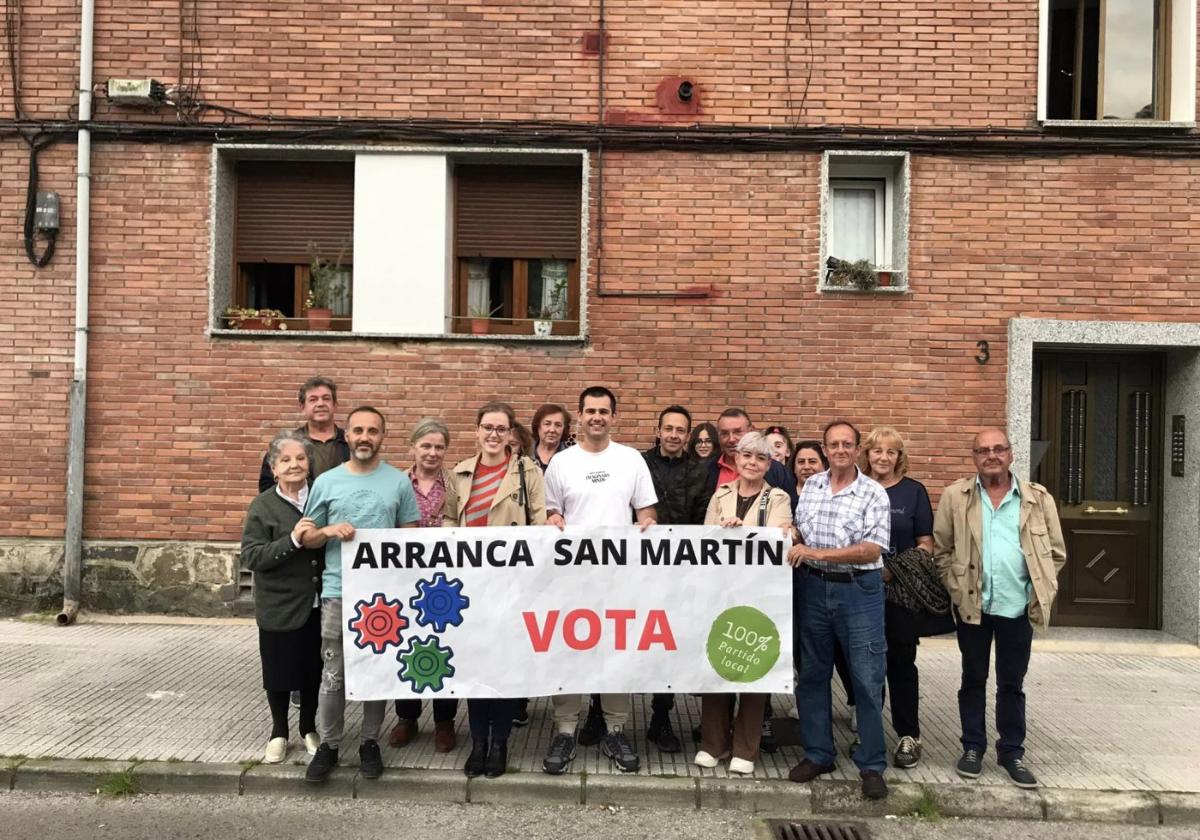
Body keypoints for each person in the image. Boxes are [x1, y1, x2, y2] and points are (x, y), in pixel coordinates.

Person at [933, 428, 1066, 789]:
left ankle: (1011, 752)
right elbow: (941, 550)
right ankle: (972, 747)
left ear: (1010, 453)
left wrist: (1038, 585)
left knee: (1012, 683)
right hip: (973, 605)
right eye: (983, 450)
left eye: (998, 449)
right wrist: (956, 587)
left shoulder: (1037, 499)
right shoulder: (955, 497)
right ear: (974, 456)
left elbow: (1055, 552)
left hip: (1018, 607)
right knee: (972, 679)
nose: (991, 456)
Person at [300, 406, 421, 784]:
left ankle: (370, 741)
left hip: (383, 596)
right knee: (333, 672)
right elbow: (306, 536)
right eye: (358, 430)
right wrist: (329, 530)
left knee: (376, 669)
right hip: (339, 592)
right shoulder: (327, 482)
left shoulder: (398, 483)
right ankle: (330, 745)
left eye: (373, 430)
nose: (365, 437)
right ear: (347, 436)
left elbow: (411, 537)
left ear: (383, 436)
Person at [541, 385, 657, 775]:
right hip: (570, 577)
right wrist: (553, 520)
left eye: (604, 411)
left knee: (616, 650)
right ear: (579, 415)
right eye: (590, 410)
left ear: (613, 417)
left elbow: (646, 511)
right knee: (568, 648)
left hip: (618, 577)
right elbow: (550, 513)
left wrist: (649, 524)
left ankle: (616, 728)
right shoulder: (561, 463)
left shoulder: (631, 460)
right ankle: (565, 730)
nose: (597, 417)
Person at [787, 419, 891, 801]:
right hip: (813, 588)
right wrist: (790, 532)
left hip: (858, 591)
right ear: (826, 449)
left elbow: (872, 549)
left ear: (858, 448)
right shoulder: (812, 485)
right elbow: (801, 531)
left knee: (866, 678)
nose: (841, 450)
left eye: (848, 444)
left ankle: (871, 763)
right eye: (834, 444)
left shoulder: (873, 493)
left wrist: (815, 552)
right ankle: (818, 754)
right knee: (813, 674)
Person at [443, 401, 547, 778]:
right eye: (487, 427)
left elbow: (539, 523)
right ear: (476, 430)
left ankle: (500, 741)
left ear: (510, 434)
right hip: (470, 584)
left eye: (501, 429)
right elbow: (449, 523)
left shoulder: (526, 471)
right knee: (475, 663)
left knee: (504, 665)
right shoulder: (459, 473)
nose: (493, 434)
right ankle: (478, 742)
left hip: (511, 583)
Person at [695, 431, 792, 774]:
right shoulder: (720, 495)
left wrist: (746, 532)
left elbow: (780, 534)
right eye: (746, 455)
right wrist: (724, 529)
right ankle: (713, 744)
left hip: (760, 596)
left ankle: (745, 749)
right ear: (736, 460)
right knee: (718, 665)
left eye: (760, 458)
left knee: (753, 667)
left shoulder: (778, 497)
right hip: (721, 592)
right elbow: (706, 538)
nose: (752, 462)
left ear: (769, 464)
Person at [859, 427, 951, 770]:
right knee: (866, 667)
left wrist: (894, 570)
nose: (883, 457)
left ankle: (908, 735)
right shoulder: (857, 488)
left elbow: (926, 542)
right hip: (860, 592)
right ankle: (868, 734)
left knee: (900, 665)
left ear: (900, 457)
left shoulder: (913, 492)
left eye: (891, 452)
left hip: (898, 595)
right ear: (867, 454)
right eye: (877, 450)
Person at [240, 431, 324, 765]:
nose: (294, 465)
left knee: (312, 669)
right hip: (279, 603)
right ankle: (278, 731)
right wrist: (293, 539)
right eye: (285, 460)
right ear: (273, 468)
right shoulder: (263, 506)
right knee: (278, 670)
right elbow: (253, 557)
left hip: (317, 601)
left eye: (300, 458)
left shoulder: (320, 497)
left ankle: (308, 727)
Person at [636, 404, 710, 753]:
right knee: (615, 634)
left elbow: (702, 519)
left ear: (688, 434)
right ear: (659, 430)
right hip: (633, 566)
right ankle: (597, 711)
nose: (674, 435)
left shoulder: (700, 471)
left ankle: (661, 716)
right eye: (669, 428)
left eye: (681, 430)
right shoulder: (638, 463)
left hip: (679, 571)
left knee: (666, 643)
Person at [388, 418, 461, 753]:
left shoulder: (457, 484)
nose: (432, 453)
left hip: (447, 579)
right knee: (407, 644)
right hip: (405, 578)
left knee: (447, 645)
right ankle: (407, 717)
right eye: (426, 446)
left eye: (438, 447)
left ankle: (444, 721)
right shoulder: (396, 483)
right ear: (413, 448)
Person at [788, 440, 856, 721]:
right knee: (808, 650)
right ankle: (809, 707)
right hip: (800, 580)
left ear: (823, 462)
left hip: (839, 580)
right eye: (801, 462)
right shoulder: (786, 495)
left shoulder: (831, 491)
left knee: (843, 651)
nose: (806, 467)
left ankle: (854, 702)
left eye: (812, 461)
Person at [258, 376, 350, 492]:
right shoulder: (287, 443)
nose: (320, 404)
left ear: (335, 405)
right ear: (302, 407)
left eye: (326, 398)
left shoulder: (350, 443)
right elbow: (267, 485)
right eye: (313, 399)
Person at [706, 408, 797, 508]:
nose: (731, 439)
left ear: (752, 430)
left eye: (737, 432)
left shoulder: (777, 471)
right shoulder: (706, 470)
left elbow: (791, 509)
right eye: (724, 433)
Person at [531, 403, 572, 472]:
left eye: (558, 425)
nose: (552, 430)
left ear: (564, 429)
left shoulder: (571, 457)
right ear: (538, 426)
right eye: (547, 424)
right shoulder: (525, 454)